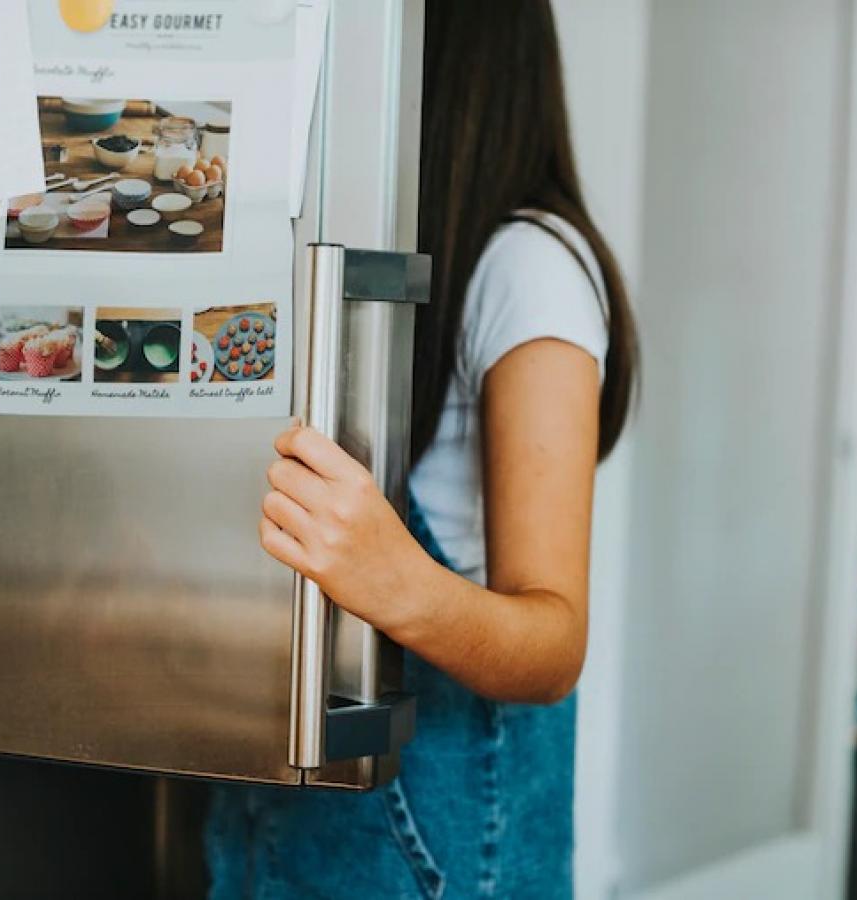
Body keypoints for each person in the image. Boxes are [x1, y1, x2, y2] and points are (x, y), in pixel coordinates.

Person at [205, 0, 638, 896]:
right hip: (279, 822)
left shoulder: (531, 266)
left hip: (431, 852)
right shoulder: (362, 259)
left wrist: (390, 576)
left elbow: (555, 642)